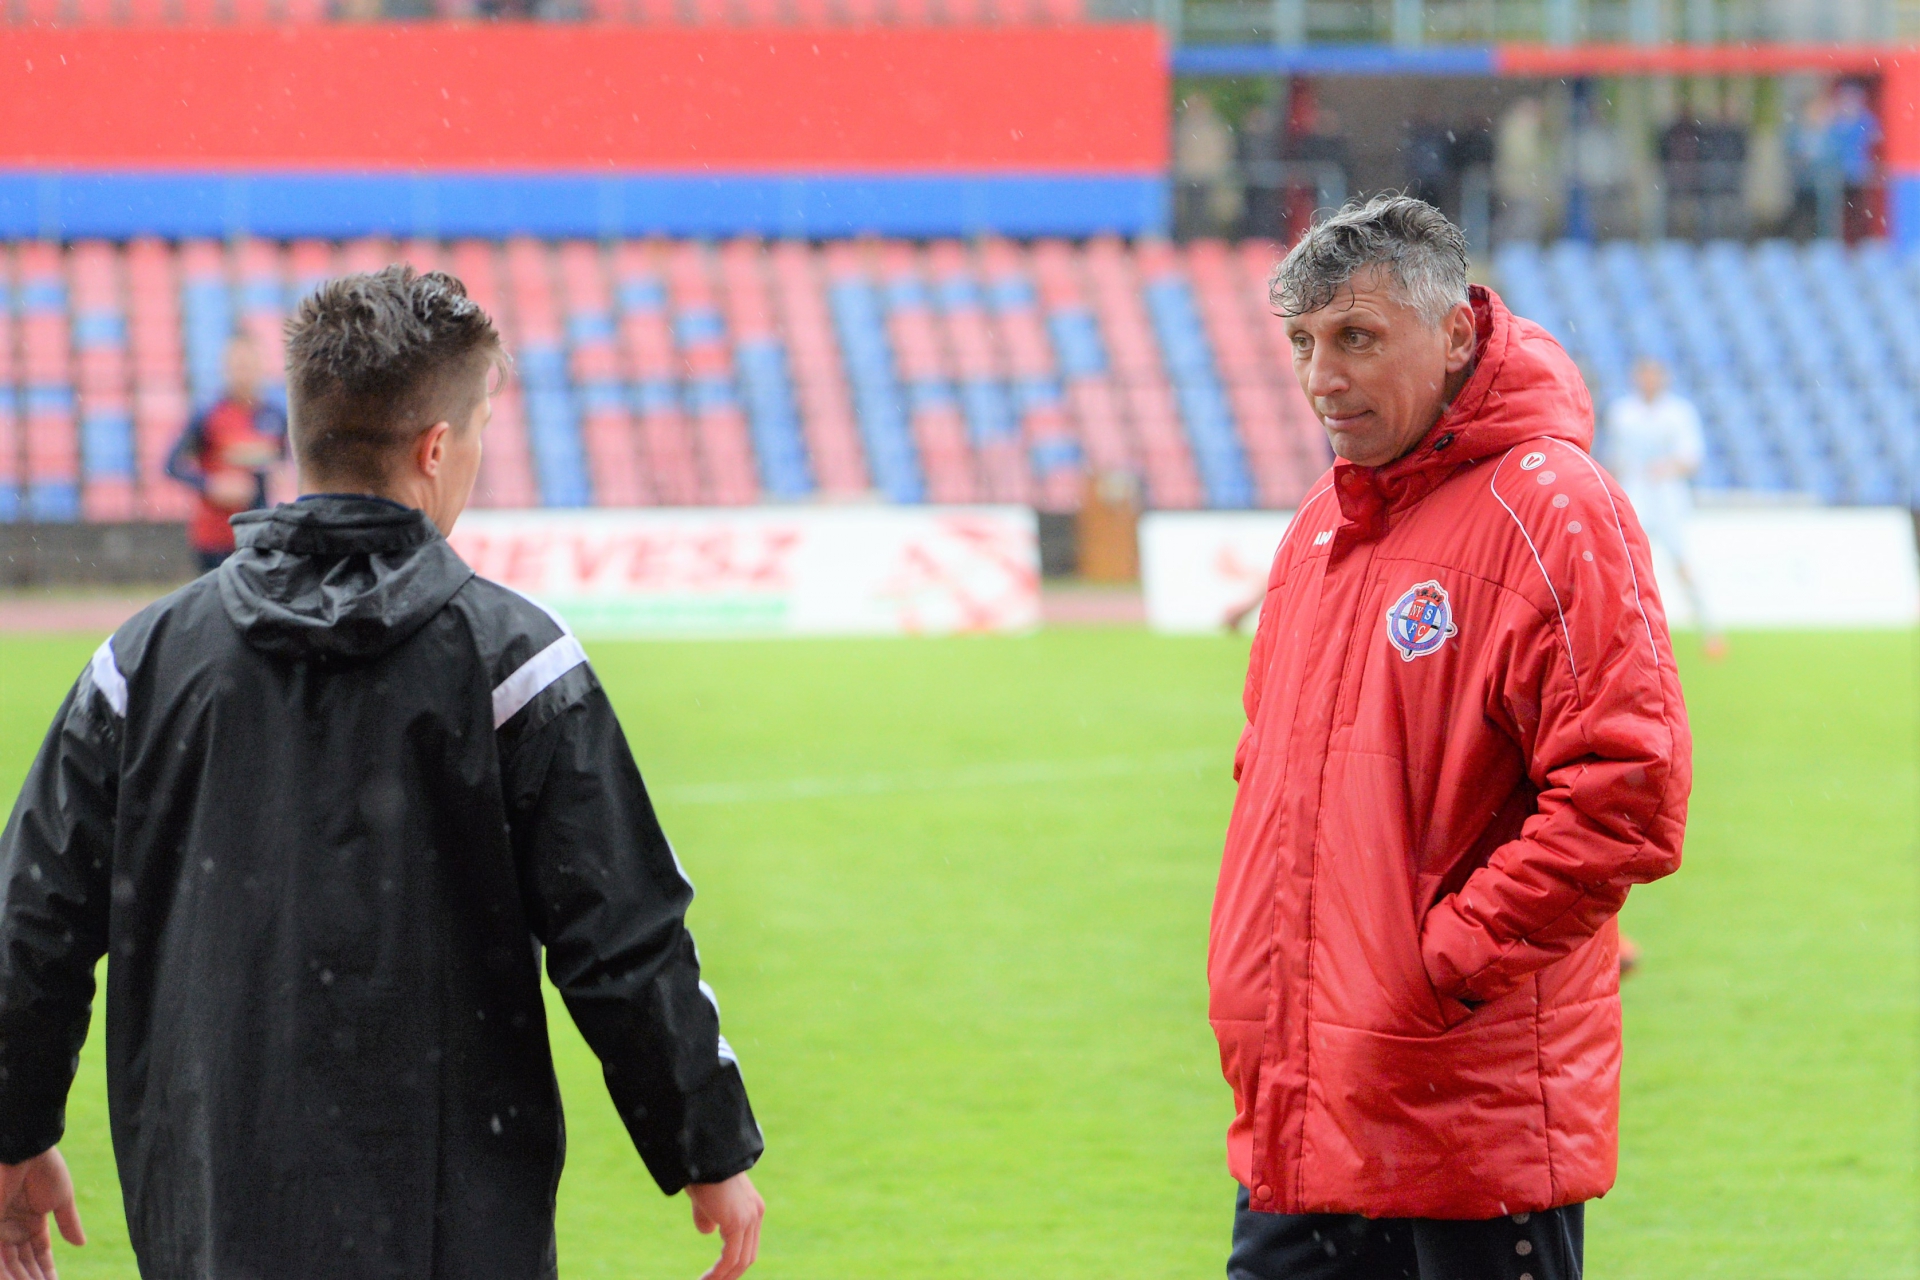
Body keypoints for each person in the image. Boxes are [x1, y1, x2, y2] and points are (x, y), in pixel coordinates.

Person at [0, 266, 765, 1280]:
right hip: (456, 1218)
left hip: (215, 1206)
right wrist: (707, 1146)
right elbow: (622, 932)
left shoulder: (144, 662)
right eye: (480, 430)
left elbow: (31, 919)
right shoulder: (516, 662)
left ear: (297, 435)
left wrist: (13, 1129)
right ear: (437, 447)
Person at [1212, 196, 1690, 1279]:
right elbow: (1269, 774)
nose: (1322, 376)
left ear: (1458, 333)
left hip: (1467, 1109)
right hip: (1307, 1085)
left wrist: (1441, 965)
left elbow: (1628, 791)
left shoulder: (1555, 505)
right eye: (1304, 342)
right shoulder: (1324, 521)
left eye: (1357, 337)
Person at [1605, 356, 1725, 659]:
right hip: (1634, 495)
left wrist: (1666, 468)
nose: (1648, 381)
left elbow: (1691, 457)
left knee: (1681, 563)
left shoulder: (1679, 413)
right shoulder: (1622, 413)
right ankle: (1623, 633)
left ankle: (1709, 629)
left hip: (1668, 497)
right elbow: (1615, 460)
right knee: (1628, 565)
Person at [165, 334, 289, 573]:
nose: (244, 374)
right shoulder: (208, 415)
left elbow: (281, 461)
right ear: (226, 369)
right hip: (216, 536)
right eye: (238, 366)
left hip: (259, 534)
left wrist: (275, 474)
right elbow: (171, 465)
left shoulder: (275, 416)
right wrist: (211, 485)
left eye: (249, 365)